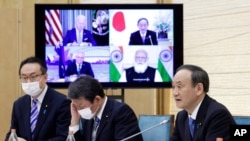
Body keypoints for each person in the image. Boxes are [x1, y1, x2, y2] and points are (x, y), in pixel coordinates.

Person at [5, 56, 71, 141]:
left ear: (45, 77)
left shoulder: (62, 102)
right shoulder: (19, 104)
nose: (28, 82)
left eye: (33, 76)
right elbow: (11, 134)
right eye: (24, 78)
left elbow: (63, 137)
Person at [171, 64, 236, 141]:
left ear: (199, 89)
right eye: (173, 87)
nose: (175, 93)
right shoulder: (181, 117)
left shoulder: (217, 115)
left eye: (179, 86)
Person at [67, 75, 143, 141]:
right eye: (75, 106)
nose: (79, 110)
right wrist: (74, 123)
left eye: (80, 105)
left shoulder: (121, 112)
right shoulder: (88, 116)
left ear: (97, 100)